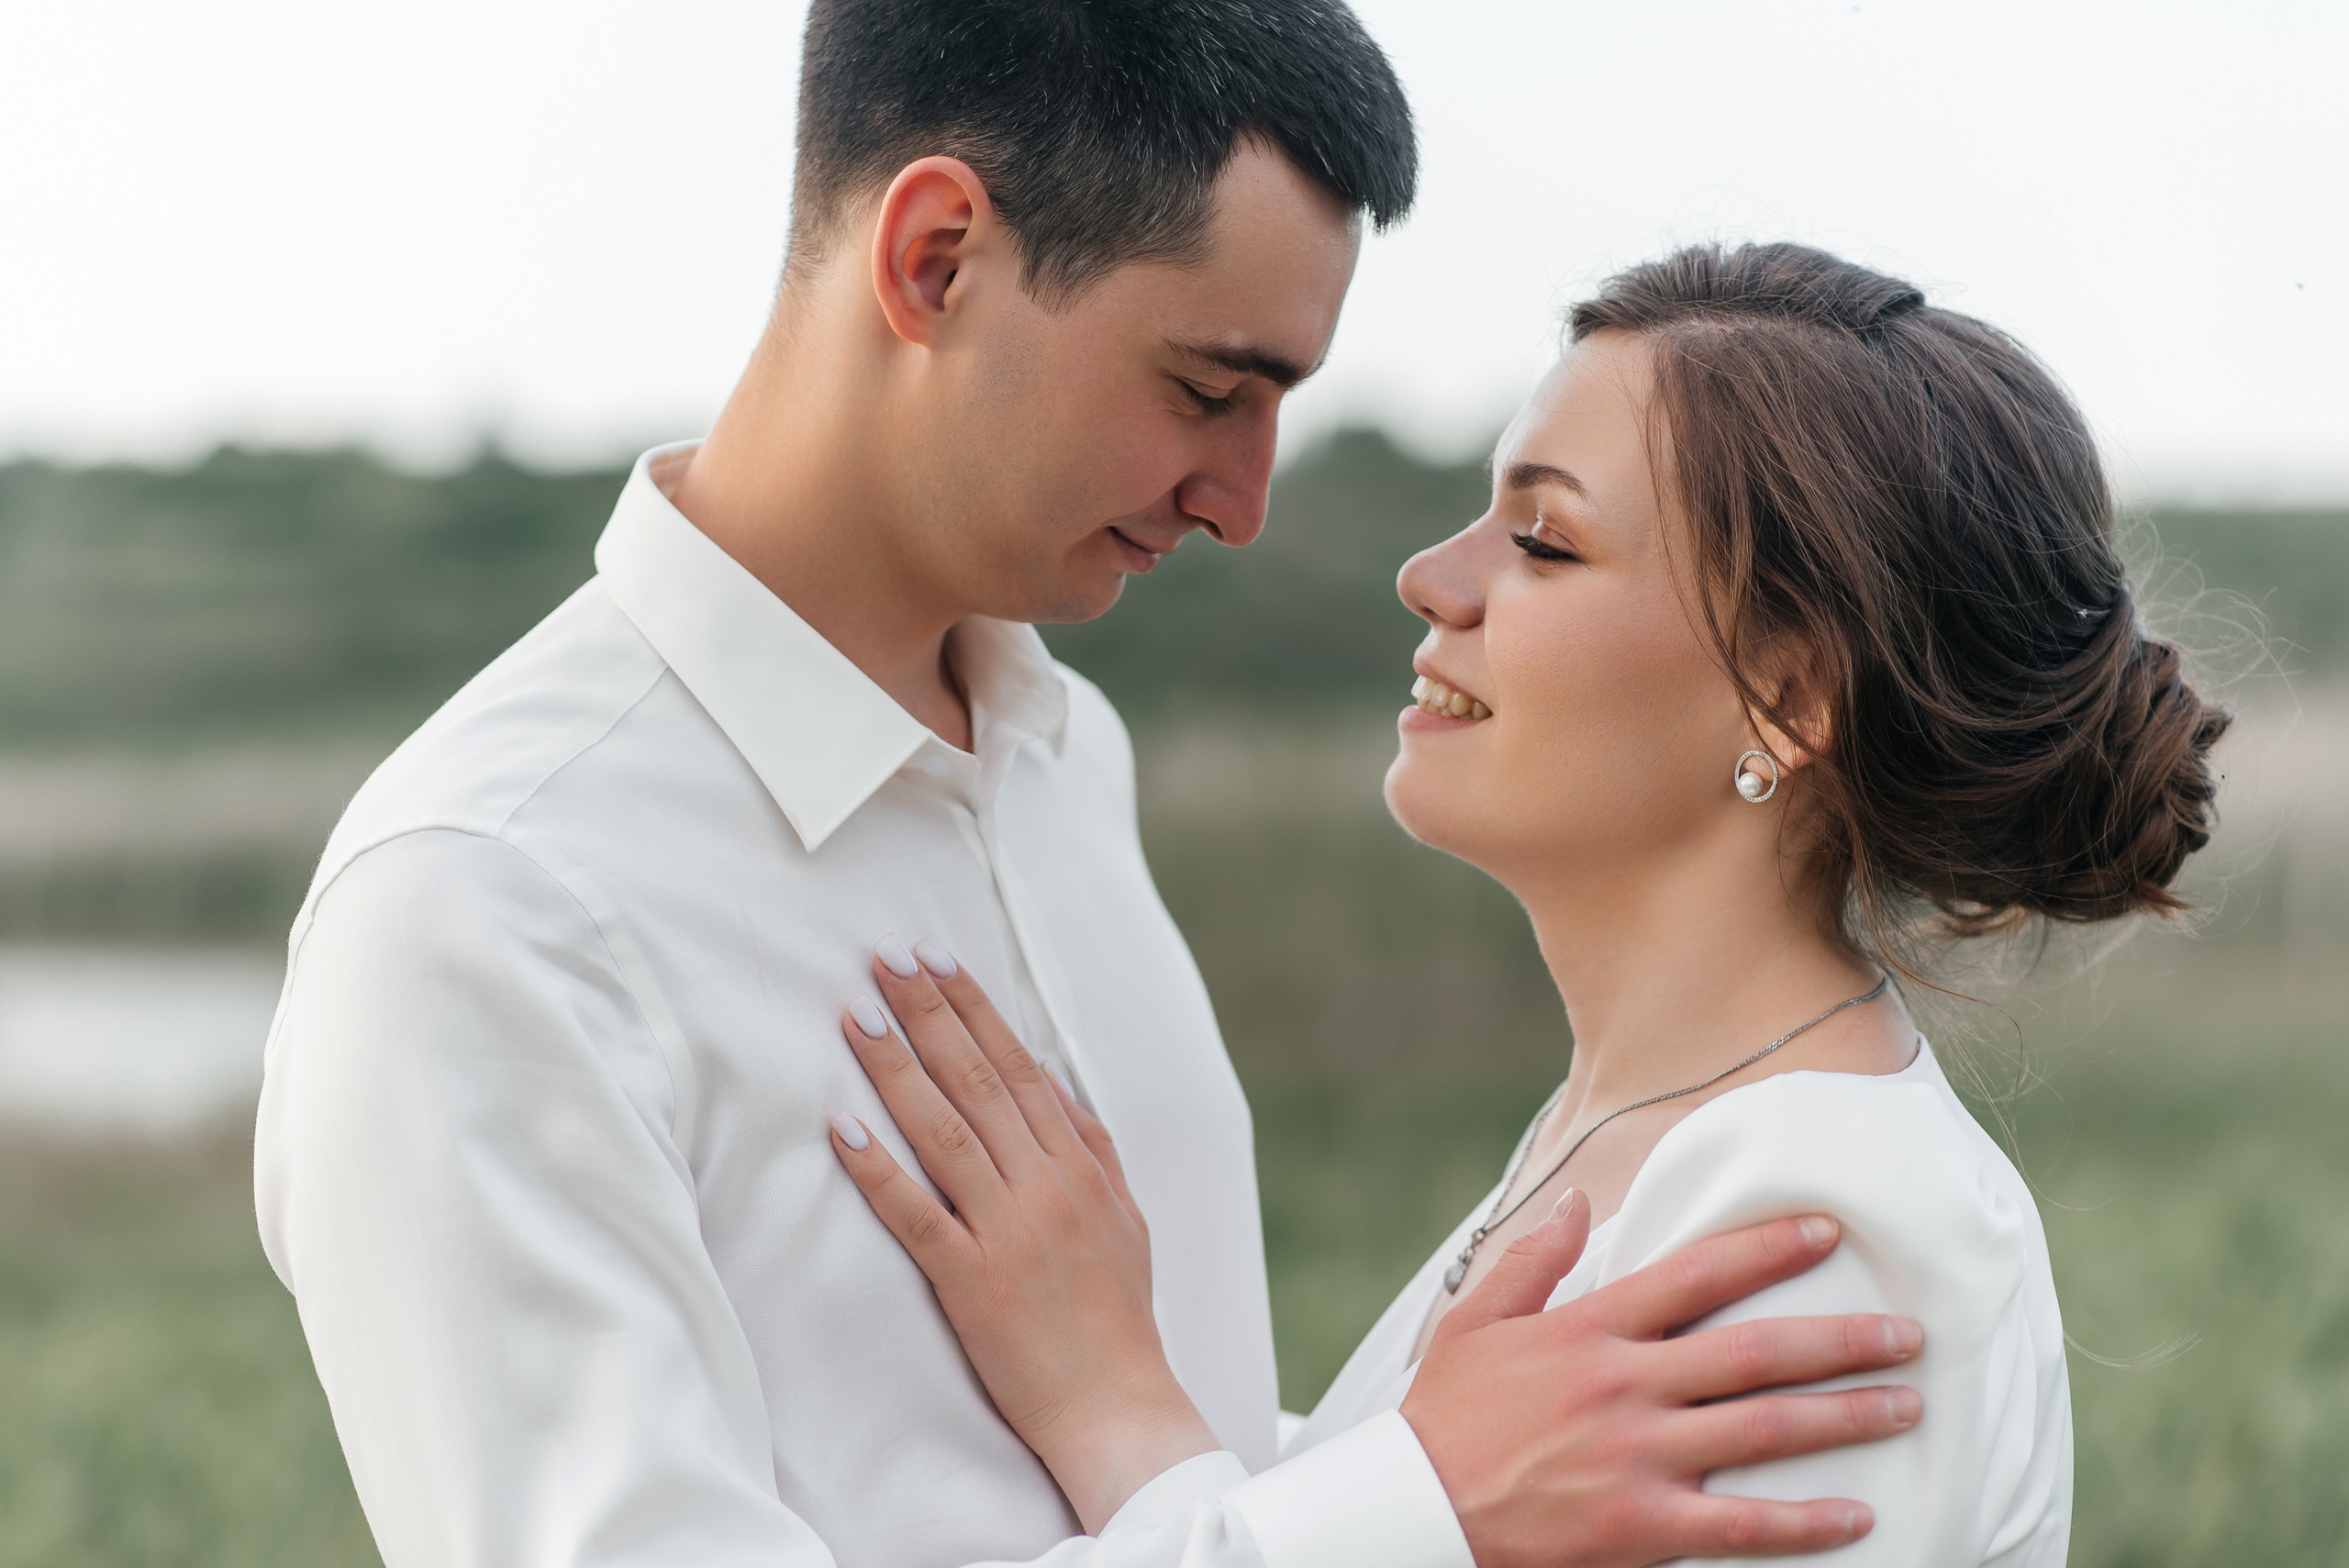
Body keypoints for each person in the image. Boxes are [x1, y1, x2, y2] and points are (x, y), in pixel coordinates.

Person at [253, 5, 1926, 1564]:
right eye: (1205, 390)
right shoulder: (485, 906)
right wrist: (1409, 1503)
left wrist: (1409, 1461)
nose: (1243, 503)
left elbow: (1156, 1458)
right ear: (935, 257)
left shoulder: (1065, 761)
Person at [824, 241, 2232, 1567]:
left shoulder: (1819, 1228)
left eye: (1545, 541)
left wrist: (1114, 1406)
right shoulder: (1636, 1127)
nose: (1433, 578)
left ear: (1788, 696)